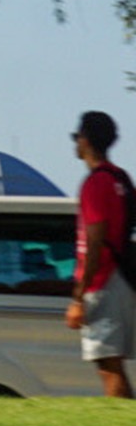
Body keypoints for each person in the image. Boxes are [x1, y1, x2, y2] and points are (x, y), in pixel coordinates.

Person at [66, 111, 134, 398]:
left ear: (86, 140)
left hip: (103, 282)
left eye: (77, 137)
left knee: (108, 365)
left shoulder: (95, 184)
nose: (76, 143)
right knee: (112, 362)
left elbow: (94, 242)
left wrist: (79, 298)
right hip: (124, 277)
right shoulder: (121, 178)